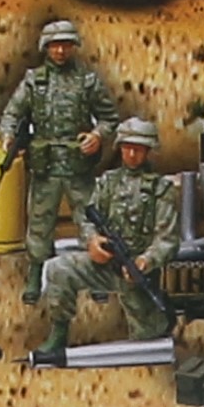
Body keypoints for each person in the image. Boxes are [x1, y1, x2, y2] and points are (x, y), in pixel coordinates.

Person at [29, 116, 175, 366]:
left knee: (148, 342)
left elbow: (167, 240)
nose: (132, 155)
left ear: (149, 150)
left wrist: (145, 261)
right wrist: (92, 241)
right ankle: (58, 333)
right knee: (58, 269)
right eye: (127, 148)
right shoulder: (108, 182)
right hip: (105, 263)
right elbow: (87, 218)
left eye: (139, 149)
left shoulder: (161, 189)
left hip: (136, 271)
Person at [0, 20, 122, 284]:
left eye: (65, 45)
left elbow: (110, 118)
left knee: (90, 218)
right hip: (46, 165)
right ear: (46, 47)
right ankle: (36, 271)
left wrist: (97, 136)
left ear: (74, 46)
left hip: (78, 164)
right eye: (55, 45)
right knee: (40, 221)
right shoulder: (33, 81)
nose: (60, 51)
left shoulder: (87, 81)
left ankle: (95, 269)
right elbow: (12, 113)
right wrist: (8, 136)